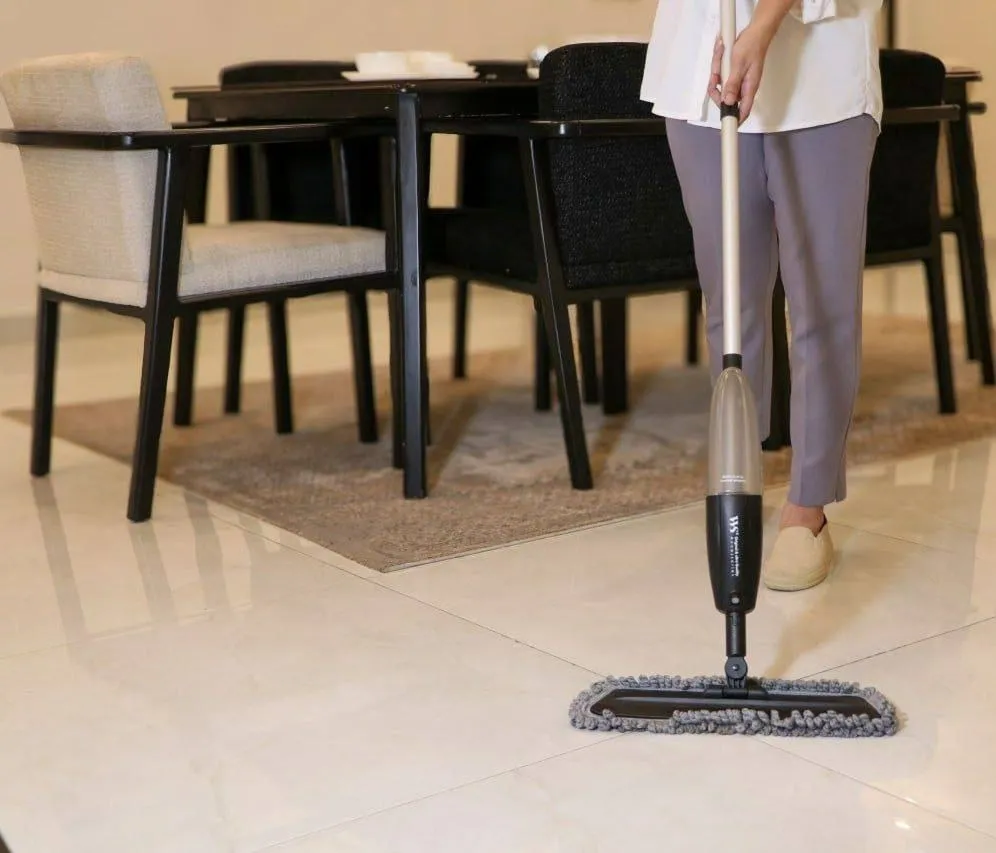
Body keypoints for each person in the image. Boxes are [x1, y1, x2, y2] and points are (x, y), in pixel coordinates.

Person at [641, 0, 884, 591]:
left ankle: (808, 509)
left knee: (821, 306)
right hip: (702, 80)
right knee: (731, 306)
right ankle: (738, 486)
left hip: (821, 78)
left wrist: (764, 24)